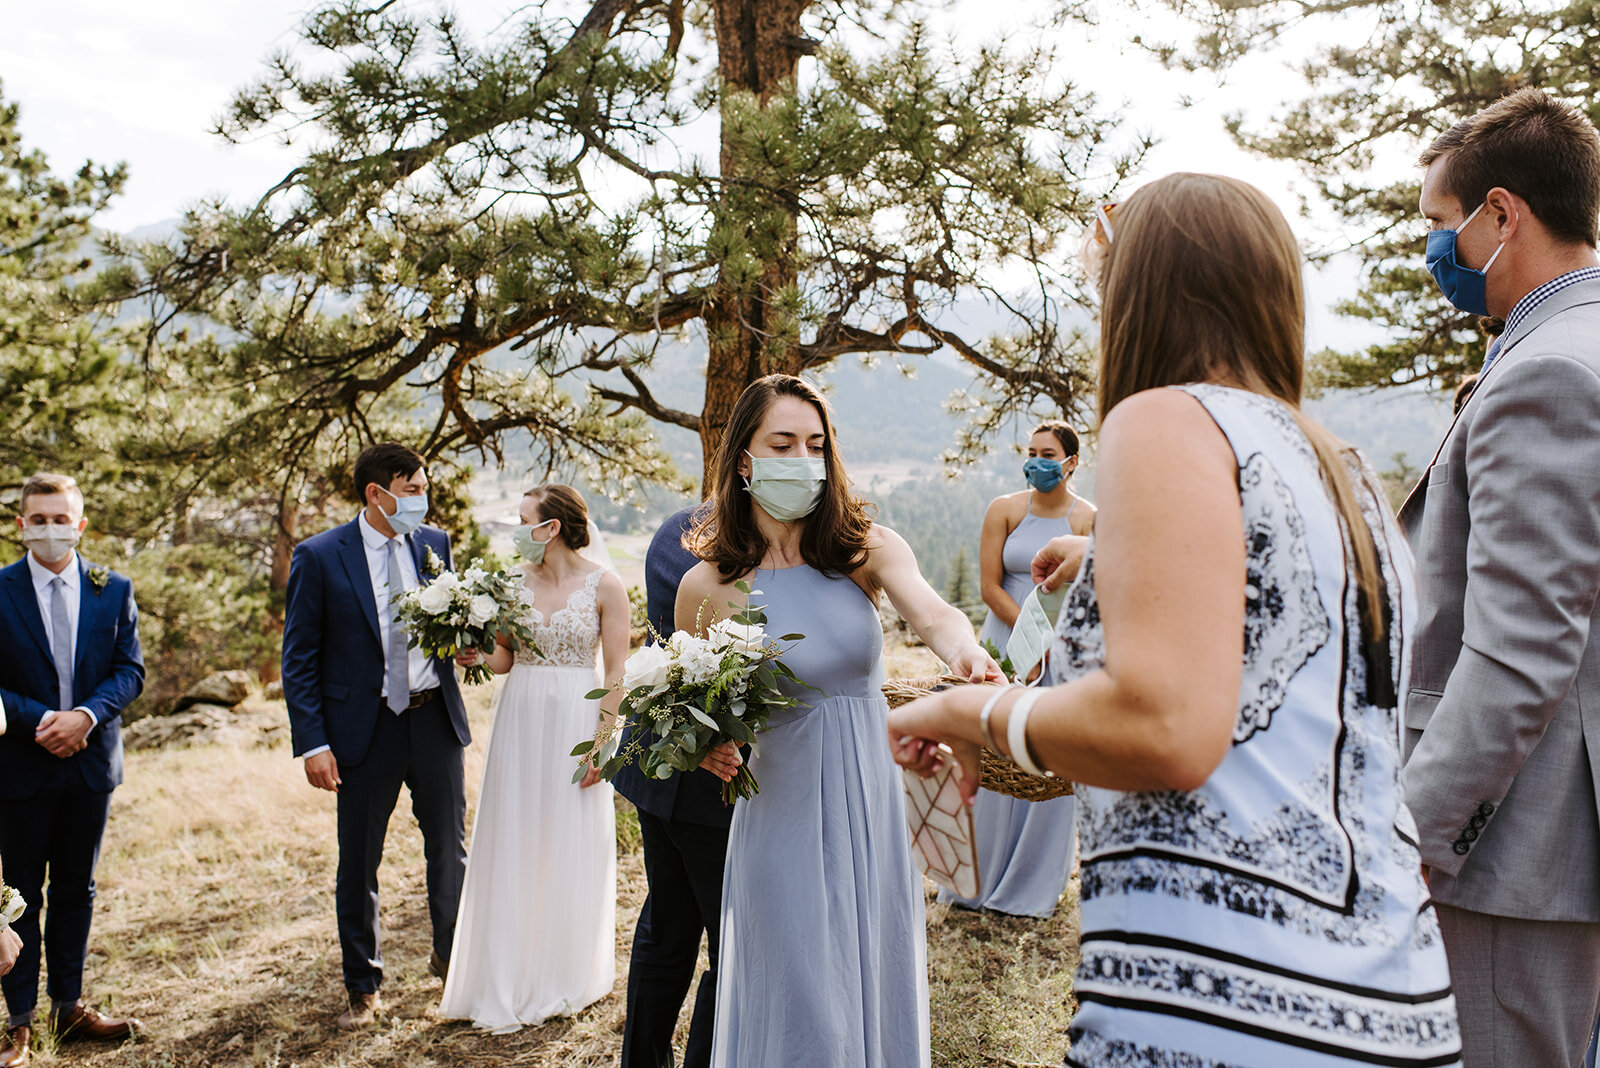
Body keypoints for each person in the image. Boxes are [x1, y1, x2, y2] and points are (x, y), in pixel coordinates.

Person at [888, 174, 1461, 1067]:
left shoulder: (1163, 419)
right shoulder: (1338, 465)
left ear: (1141, 294)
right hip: (1391, 997)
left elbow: (1164, 727)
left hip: (1220, 1001)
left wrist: (963, 712)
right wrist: (1107, 559)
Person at [674, 374, 1000, 1068]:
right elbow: (698, 711)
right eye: (782, 442)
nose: (802, 458)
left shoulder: (865, 550)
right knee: (802, 1001)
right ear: (743, 460)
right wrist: (708, 747)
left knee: (870, 979)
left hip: (872, 806)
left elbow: (936, 614)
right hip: (780, 814)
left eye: (815, 445)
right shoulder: (706, 588)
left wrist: (970, 654)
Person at [1400, 88, 1600, 1068]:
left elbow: (1520, 652)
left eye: (1440, 226)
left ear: (1502, 216)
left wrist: (1413, 832)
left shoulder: (1544, 374)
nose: (1432, 252)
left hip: (1511, 855)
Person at [281, 443, 474, 1030]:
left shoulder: (434, 544)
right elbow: (299, 658)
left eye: (424, 489)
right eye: (414, 490)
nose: (424, 500)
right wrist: (313, 743)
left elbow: (451, 625)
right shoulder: (318, 556)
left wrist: (464, 642)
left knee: (450, 849)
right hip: (361, 731)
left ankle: (453, 967)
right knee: (359, 860)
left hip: (433, 716)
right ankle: (362, 986)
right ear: (377, 493)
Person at [440, 484, 628, 1030]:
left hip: (576, 718)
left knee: (567, 837)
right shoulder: (509, 584)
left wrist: (603, 740)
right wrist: (473, 652)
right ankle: (508, 970)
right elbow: (503, 659)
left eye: (525, 520)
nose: (517, 529)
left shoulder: (605, 585)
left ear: (553, 528)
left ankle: (563, 972)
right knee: (516, 836)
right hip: (520, 718)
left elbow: (616, 670)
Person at [0, 473, 145, 1067]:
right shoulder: (0, 590)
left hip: (90, 764)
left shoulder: (113, 589)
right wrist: (46, 721)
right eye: (40, 519)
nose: (52, 530)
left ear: (81, 525)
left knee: (76, 890)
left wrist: (84, 716)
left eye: (63, 520)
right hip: (20, 765)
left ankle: (69, 1004)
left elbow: (129, 672)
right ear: (21, 527)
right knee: (18, 896)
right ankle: (19, 1024)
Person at [942, 421, 1095, 918]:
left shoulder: (1089, 519)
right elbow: (990, 587)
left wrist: (1053, 645)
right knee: (991, 761)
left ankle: (1028, 889)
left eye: (1047, 453)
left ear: (1071, 462)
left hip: (1062, 651)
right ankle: (970, 882)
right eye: (1030, 452)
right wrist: (1028, 637)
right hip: (1004, 646)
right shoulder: (1004, 510)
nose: (1036, 462)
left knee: (1044, 764)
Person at [616, 503, 737, 1068]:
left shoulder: (677, 527)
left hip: (658, 766)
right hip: (713, 772)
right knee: (731, 944)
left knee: (666, 927)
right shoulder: (738, 548)